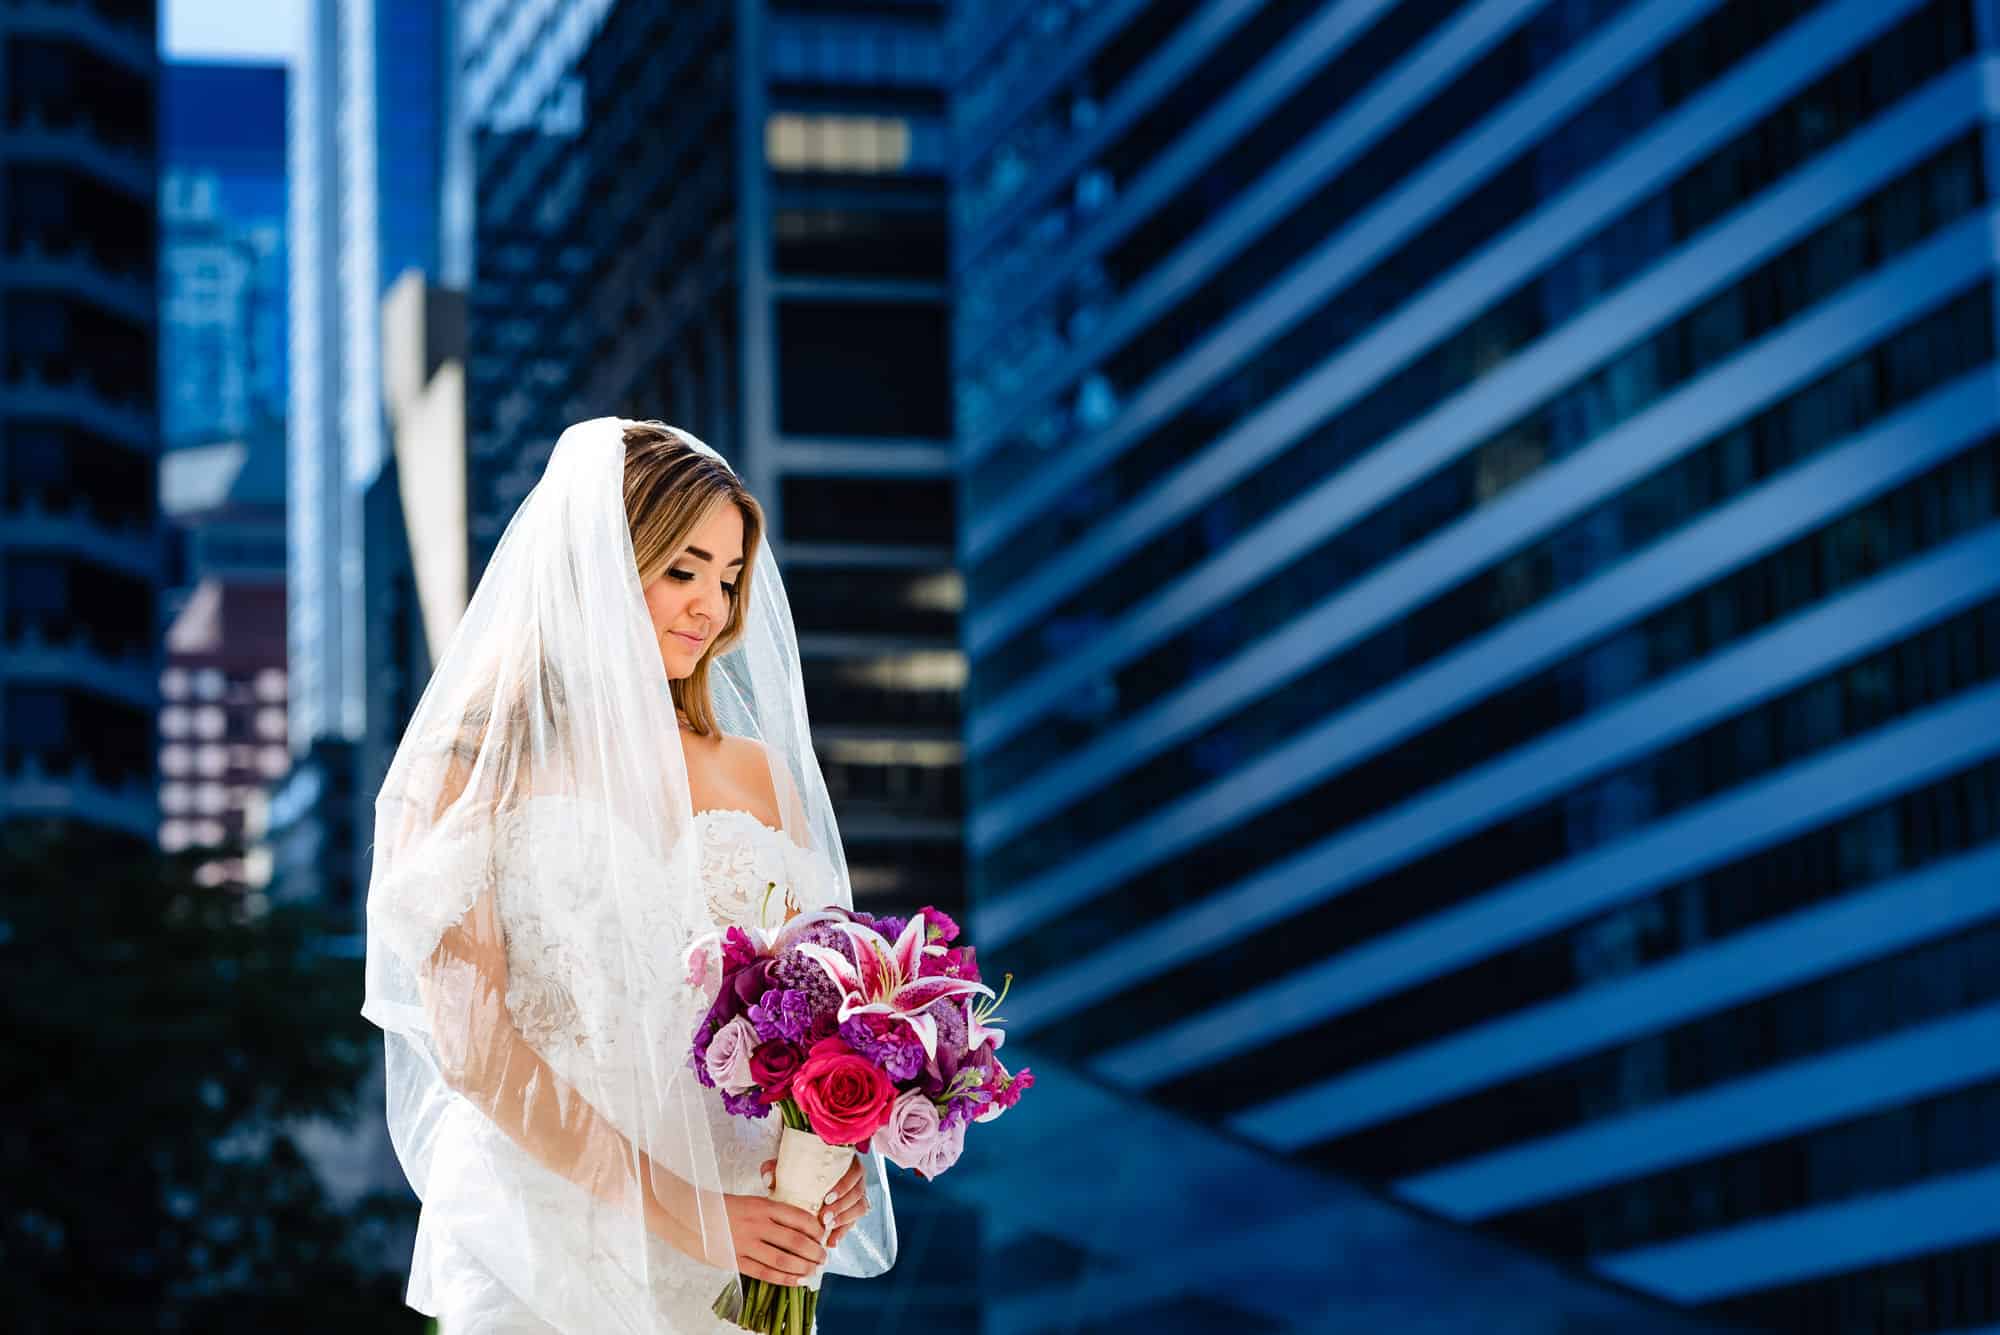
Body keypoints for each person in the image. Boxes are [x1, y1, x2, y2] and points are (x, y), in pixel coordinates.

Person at [361, 419, 897, 1332]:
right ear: (602, 561)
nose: (712, 608)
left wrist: (835, 1153)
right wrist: (687, 1211)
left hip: (748, 1254)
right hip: (551, 1242)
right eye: (682, 570)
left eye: (729, 579)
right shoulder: (468, 765)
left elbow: (819, 1013)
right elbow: (474, 1043)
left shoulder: (761, 774)